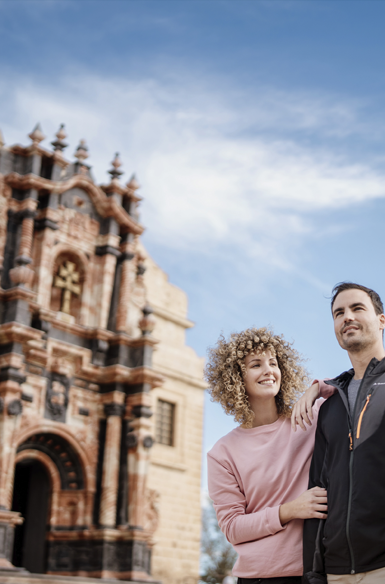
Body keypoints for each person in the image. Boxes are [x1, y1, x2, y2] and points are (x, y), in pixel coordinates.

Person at [206, 327, 332, 584]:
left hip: (315, 571)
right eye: (256, 364)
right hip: (260, 578)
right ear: (236, 377)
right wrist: (289, 510)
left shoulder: (308, 417)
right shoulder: (222, 453)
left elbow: (352, 388)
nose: (268, 371)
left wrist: (315, 389)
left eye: (273, 363)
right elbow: (232, 528)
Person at [303, 282, 385, 584]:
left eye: (357, 308)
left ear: (381, 320)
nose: (347, 317)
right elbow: (318, 491)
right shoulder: (329, 407)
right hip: (336, 572)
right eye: (339, 313)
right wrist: (313, 575)